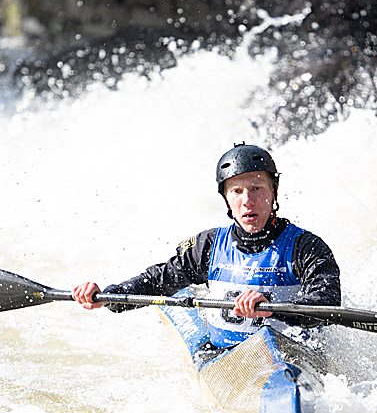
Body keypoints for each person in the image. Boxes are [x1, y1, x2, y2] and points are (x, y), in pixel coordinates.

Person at [72, 142, 341, 349]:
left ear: (274, 191)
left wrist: (270, 304)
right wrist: (109, 296)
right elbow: (157, 280)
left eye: (257, 188)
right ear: (226, 198)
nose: (247, 200)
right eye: (236, 191)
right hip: (229, 358)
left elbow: (328, 301)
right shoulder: (208, 246)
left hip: (292, 359)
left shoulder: (307, 247)